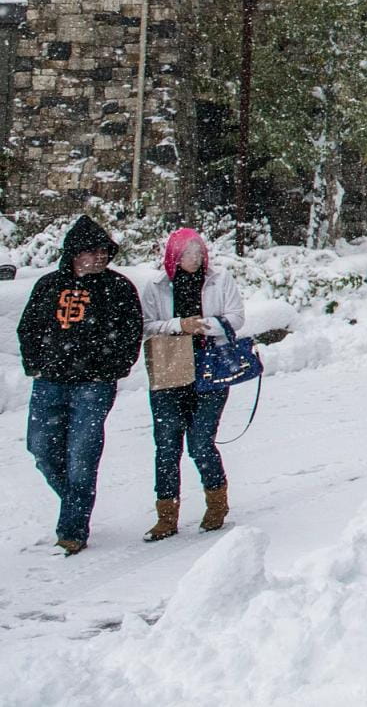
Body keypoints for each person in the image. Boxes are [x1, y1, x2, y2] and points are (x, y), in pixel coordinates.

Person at [15, 215, 145, 555]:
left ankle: (72, 529)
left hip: (94, 386)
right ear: (73, 253)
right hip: (49, 383)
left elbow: (132, 333)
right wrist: (36, 366)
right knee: (41, 449)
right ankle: (76, 500)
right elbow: (27, 328)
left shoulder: (118, 288)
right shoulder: (48, 286)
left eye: (104, 251)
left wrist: (112, 368)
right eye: (91, 252)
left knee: (82, 456)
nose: (99, 258)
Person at [137, 227, 246, 540]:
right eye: (186, 253)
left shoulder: (219, 280)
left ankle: (216, 501)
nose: (193, 259)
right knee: (167, 444)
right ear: (173, 255)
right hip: (170, 367)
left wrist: (205, 326)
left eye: (198, 252)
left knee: (200, 441)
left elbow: (236, 317)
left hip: (211, 368)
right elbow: (146, 326)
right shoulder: (156, 287)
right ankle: (166, 515)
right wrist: (178, 325)